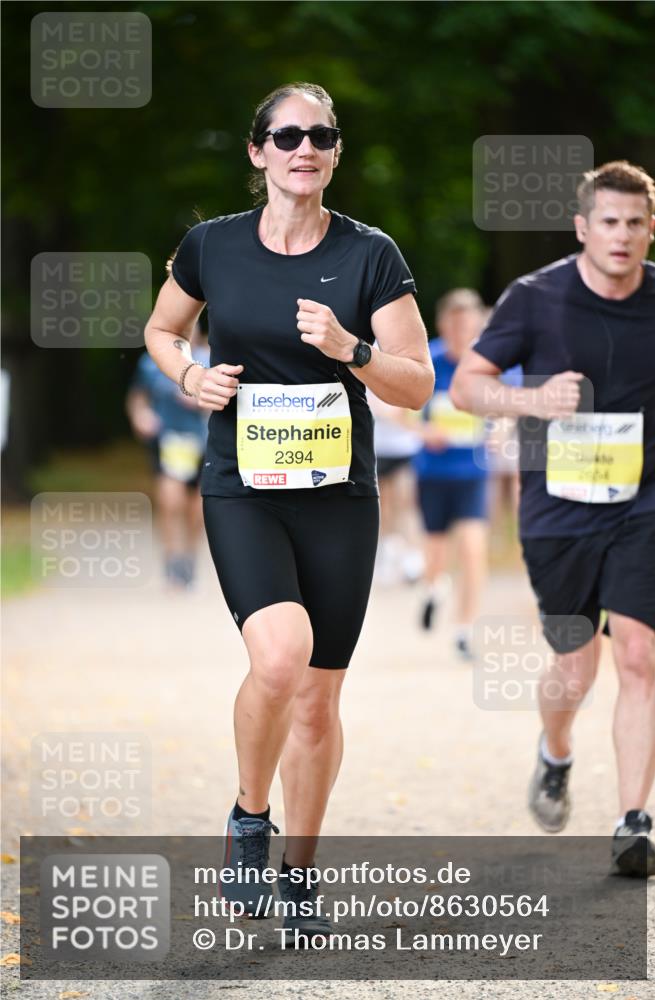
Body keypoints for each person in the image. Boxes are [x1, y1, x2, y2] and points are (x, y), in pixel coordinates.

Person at [144, 82, 434, 931]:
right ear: (257, 151)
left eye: (321, 135)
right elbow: (162, 331)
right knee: (280, 657)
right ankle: (247, 817)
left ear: (335, 152)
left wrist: (354, 351)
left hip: (338, 496)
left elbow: (415, 385)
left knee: (318, 696)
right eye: (286, 135)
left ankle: (299, 874)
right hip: (243, 485)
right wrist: (189, 375)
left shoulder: (371, 255)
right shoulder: (211, 246)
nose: (303, 148)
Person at [451, 161, 655, 877]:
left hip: (648, 499)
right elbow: (465, 388)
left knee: (636, 652)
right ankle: (556, 751)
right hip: (558, 509)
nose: (622, 235)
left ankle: (632, 822)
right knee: (576, 662)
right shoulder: (535, 297)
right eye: (608, 221)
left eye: (635, 223)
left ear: (650, 230)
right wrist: (533, 403)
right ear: (582, 227)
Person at [413, 289, 489, 661]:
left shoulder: (488, 362)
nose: (462, 330)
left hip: (473, 473)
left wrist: (501, 430)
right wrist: (425, 432)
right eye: (455, 324)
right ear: (444, 324)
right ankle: (432, 589)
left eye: (468, 324)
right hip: (433, 472)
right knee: (436, 554)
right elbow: (400, 407)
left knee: (473, 551)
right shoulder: (430, 359)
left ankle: (464, 630)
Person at [126, 324, 209, 587]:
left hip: (206, 442)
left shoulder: (211, 359)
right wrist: (140, 416)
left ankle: (189, 556)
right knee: (170, 501)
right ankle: (173, 560)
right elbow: (137, 397)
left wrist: (202, 400)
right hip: (171, 440)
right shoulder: (151, 362)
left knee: (198, 507)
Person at [367, 389, 423, 586]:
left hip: (404, 448)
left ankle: (413, 558)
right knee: (383, 506)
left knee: (406, 503)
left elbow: (412, 407)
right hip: (377, 448)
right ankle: (387, 554)